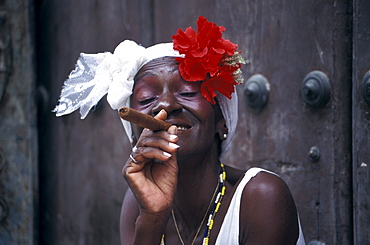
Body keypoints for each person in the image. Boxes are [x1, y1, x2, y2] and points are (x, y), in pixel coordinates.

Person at [54, 16, 305, 245]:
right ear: (135, 134)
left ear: (222, 120)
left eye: (187, 92)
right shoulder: (137, 205)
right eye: (147, 98)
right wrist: (152, 218)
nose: (165, 104)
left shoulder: (261, 198)